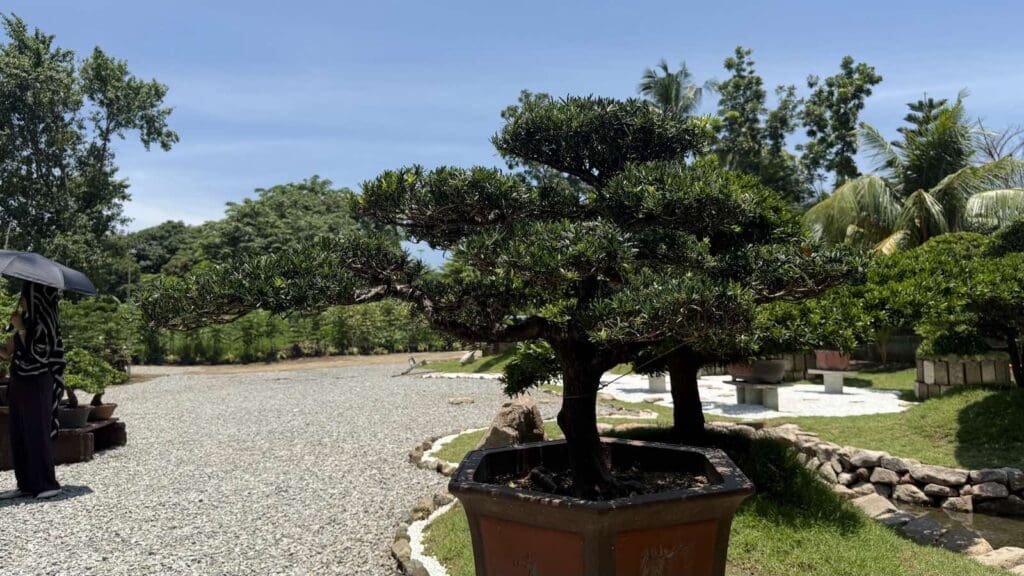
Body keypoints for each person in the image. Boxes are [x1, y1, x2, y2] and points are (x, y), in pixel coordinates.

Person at [0, 282, 65, 500]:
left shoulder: (46, 322)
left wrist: (20, 328)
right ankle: (26, 483)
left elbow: (39, 354)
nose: (22, 300)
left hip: (37, 381)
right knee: (19, 433)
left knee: (36, 431)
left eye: (26, 296)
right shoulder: (24, 321)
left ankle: (47, 482)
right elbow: (7, 352)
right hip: (19, 380)